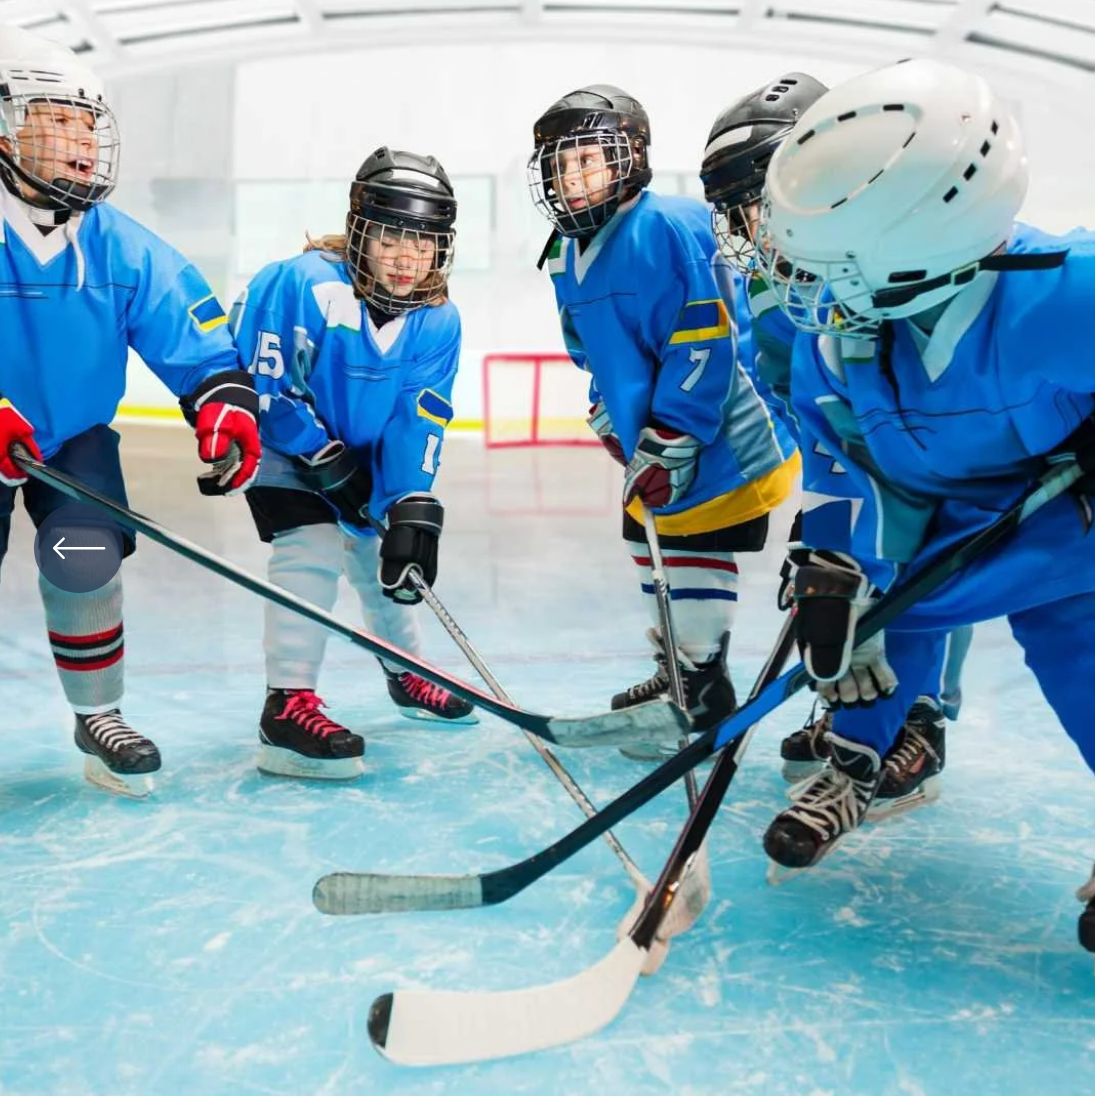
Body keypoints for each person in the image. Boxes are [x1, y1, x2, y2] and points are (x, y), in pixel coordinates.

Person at [753, 56, 1095, 955]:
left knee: (1082, 660)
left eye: (835, 260)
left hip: (1057, 524)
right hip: (917, 526)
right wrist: (829, 562)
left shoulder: (1067, 293)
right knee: (863, 629)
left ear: (923, 238)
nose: (807, 282)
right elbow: (831, 460)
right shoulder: (835, 333)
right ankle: (857, 767)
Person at [701, 71, 972, 817]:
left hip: (932, 457)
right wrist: (828, 505)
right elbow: (793, 393)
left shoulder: (885, 256)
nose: (753, 225)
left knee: (927, 574)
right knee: (832, 583)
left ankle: (920, 720)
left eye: (761, 200)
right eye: (736, 210)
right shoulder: (762, 282)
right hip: (849, 456)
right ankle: (857, 712)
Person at [0, 26, 261, 797]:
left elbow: (198, 341)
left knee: (84, 555)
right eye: (57, 118)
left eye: (88, 122)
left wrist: (221, 405)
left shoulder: (121, 246)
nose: (81, 139)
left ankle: (98, 714)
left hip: (70, 433)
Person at [527, 84, 799, 755]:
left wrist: (674, 435)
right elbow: (587, 342)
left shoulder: (672, 226)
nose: (572, 176)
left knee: (690, 544)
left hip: (724, 433)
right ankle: (679, 670)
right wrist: (605, 410)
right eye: (560, 165)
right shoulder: (564, 249)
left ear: (631, 157)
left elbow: (704, 337)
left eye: (587, 158)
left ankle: (701, 689)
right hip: (656, 434)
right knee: (641, 535)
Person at [233, 146, 476, 781]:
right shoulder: (297, 283)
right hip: (287, 450)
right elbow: (263, 381)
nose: (407, 257)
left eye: (424, 242)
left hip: (362, 458)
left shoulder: (437, 319)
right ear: (362, 231)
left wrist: (407, 500)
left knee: (382, 562)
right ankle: (286, 705)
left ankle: (407, 673)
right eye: (393, 235)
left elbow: (419, 414)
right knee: (309, 550)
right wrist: (319, 452)